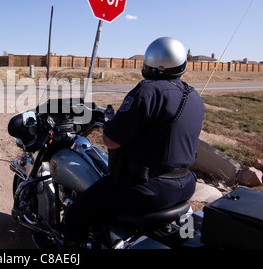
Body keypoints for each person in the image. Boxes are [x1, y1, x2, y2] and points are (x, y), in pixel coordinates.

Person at [64, 37, 204, 245]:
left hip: (149, 191)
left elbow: (111, 141)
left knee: (75, 214)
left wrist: (111, 123)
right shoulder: (194, 97)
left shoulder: (147, 92)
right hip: (185, 184)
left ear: (150, 65)